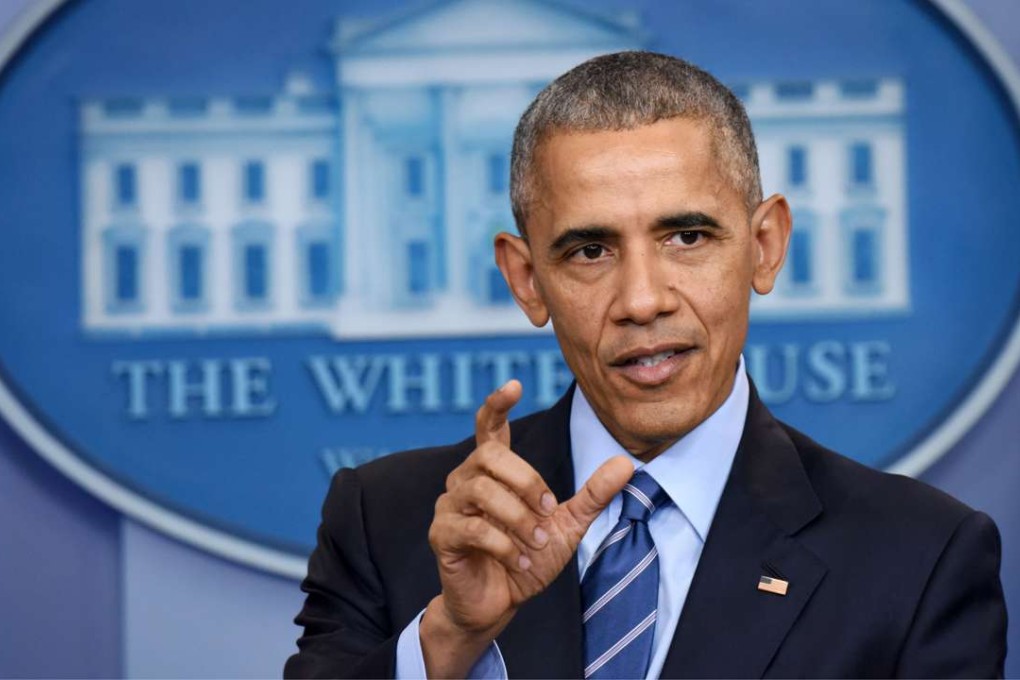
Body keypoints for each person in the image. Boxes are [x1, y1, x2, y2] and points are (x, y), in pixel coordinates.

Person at [284, 51, 1006, 679]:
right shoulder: (389, 521)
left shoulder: (918, 558)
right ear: (527, 280)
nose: (641, 299)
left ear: (765, 246)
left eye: (686, 237)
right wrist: (449, 637)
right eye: (589, 251)